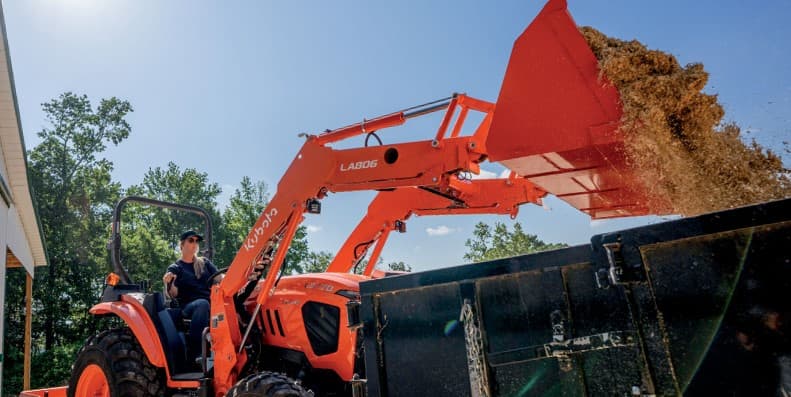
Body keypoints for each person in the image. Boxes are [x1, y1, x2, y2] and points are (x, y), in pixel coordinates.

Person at [162, 230, 217, 361]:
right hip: (188, 307)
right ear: (182, 245)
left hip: (212, 303)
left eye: (196, 241)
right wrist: (168, 282)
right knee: (202, 304)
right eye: (191, 240)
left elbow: (221, 278)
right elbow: (173, 293)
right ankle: (197, 353)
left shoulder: (204, 263)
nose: (195, 243)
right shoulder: (176, 267)